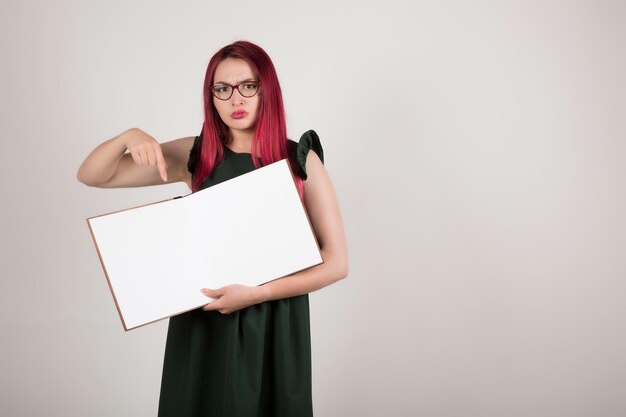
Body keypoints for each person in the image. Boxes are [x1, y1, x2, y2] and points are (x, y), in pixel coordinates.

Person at [76, 40, 349, 417]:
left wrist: (258, 293)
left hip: (272, 321)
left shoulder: (299, 161)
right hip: (205, 322)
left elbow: (336, 262)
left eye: (247, 86)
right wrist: (129, 135)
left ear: (266, 89)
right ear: (212, 96)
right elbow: (93, 175)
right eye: (223, 89)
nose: (235, 99)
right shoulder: (196, 155)